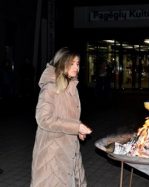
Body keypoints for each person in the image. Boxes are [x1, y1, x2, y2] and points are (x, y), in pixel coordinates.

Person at [30, 47, 92, 187]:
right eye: (72, 63)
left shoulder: (71, 86)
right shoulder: (50, 88)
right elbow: (43, 119)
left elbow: (67, 116)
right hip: (52, 155)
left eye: (77, 63)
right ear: (62, 63)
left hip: (70, 151)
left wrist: (78, 129)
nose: (76, 67)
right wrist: (75, 127)